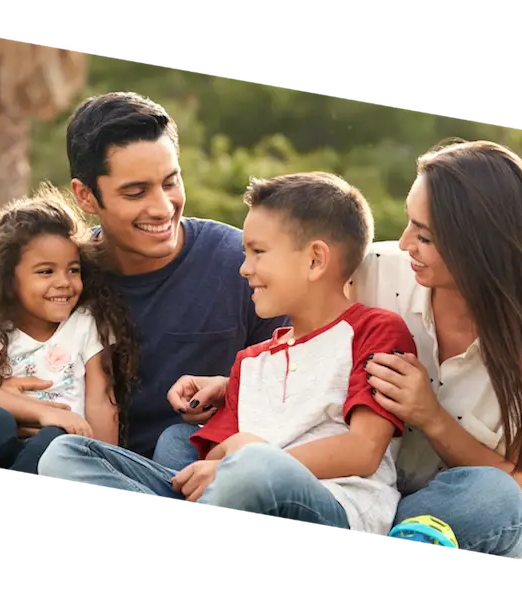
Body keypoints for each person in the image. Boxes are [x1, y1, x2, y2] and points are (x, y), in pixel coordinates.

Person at [149, 139, 522, 560]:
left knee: (494, 497)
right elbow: (310, 347)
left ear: (478, 244)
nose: (406, 243)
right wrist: (235, 389)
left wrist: (432, 417)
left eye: (424, 235)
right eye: (409, 222)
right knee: (178, 442)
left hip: (433, 512)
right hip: (337, 486)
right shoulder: (376, 270)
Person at [0, 91, 288, 468]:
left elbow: (301, 392)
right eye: (135, 192)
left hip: (155, 468)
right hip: (25, 448)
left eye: (170, 182)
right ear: (85, 196)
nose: (163, 207)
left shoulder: (239, 265)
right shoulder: (56, 274)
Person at [38, 172, 419, 537]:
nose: (244, 269)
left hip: (335, 505)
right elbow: (215, 453)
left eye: (257, 253)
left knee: (252, 467)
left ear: (315, 259)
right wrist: (224, 460)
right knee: (66, 455)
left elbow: (364, 450)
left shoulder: (374, 330)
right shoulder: (250, 361)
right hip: (229, 491)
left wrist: (241, 457)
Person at [0, 189, 139, 478]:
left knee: (56, 437)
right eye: (45, 272)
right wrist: (43, 411)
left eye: (73, 270)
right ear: (8, 278)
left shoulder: (87, 324)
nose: (64, 282)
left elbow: (101, 401)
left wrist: (103, 467)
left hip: (51, 458)